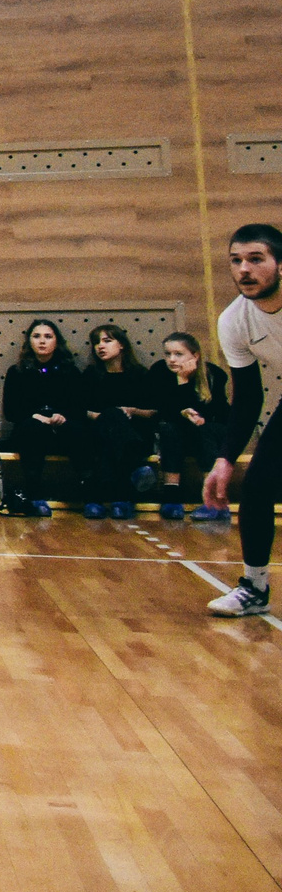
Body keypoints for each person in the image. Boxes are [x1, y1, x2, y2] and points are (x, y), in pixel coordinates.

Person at [204, 223, 282, 618]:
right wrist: (225, 458)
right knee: (257, 485)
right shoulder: (234, 321)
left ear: (280, 265)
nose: (244, 269)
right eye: (236, 260)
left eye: (255, 259)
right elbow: (249, 396)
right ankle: (254, 587)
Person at [0, 318, 81, 517]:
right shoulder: (17, 372)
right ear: (29, 341)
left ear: (57, 342)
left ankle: (89, 492)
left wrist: (61, 417)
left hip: (60, 432)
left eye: (48, 336)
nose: (42, 341)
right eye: (36, 336)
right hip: (29, 432)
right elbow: (11, 412)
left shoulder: (70, 371)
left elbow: (78, 408)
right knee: (33, 428)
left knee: (78, 432)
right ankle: (35, 495)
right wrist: (36, 417)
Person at [78, 323, 155, 519]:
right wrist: (105, 417)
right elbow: (79, 409)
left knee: (114, 433)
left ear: (121, 345)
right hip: (98, 431)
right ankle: (124, 495)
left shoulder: (139, 374)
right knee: (111, 417)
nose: (100, 346)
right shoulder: (91, 375)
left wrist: (132, 411)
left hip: (134, 431)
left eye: (107, 341)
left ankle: (94, 498)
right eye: (96, 343)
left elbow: (153, 411)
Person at [148, 332, 226, 523]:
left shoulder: (214, 374)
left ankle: (214, 501)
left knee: (204, 429)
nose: (172, 359)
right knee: (169, 428)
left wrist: (195, 413)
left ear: (195, 355)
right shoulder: (159, 372)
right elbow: (163, 410)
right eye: (168, 354)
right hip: (178, 433)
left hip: (209, 431)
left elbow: (217, 413)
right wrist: (181, 381)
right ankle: (171, 496)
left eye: (178, 354)